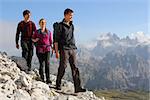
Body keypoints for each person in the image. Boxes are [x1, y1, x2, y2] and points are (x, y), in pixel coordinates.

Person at [54, 8, 86, 93]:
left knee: (75, 67)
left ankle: (78, 87)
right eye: (70, 15)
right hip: (64, 49)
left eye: (72, 15)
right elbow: (56, 40)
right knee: (63, 67)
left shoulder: (72, 25)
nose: (72, 17)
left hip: (73, 49)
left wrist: (74, 48)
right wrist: (56, 52)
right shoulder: (60, 26)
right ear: (65, 15)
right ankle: (58, 84)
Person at [32, 18, 52, 84]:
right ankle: (42, 78)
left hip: (47, 49)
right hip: (39, 49)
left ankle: (48, 79)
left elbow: (50, 41)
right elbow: (32, 38)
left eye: (44, 22)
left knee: (47, 64)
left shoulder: (49, 32)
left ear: (45, 23)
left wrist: (53, 48)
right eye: (41, 22)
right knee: (41, 64)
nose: (43, 23)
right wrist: (35, 40)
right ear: (39, 24)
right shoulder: (37, 32)